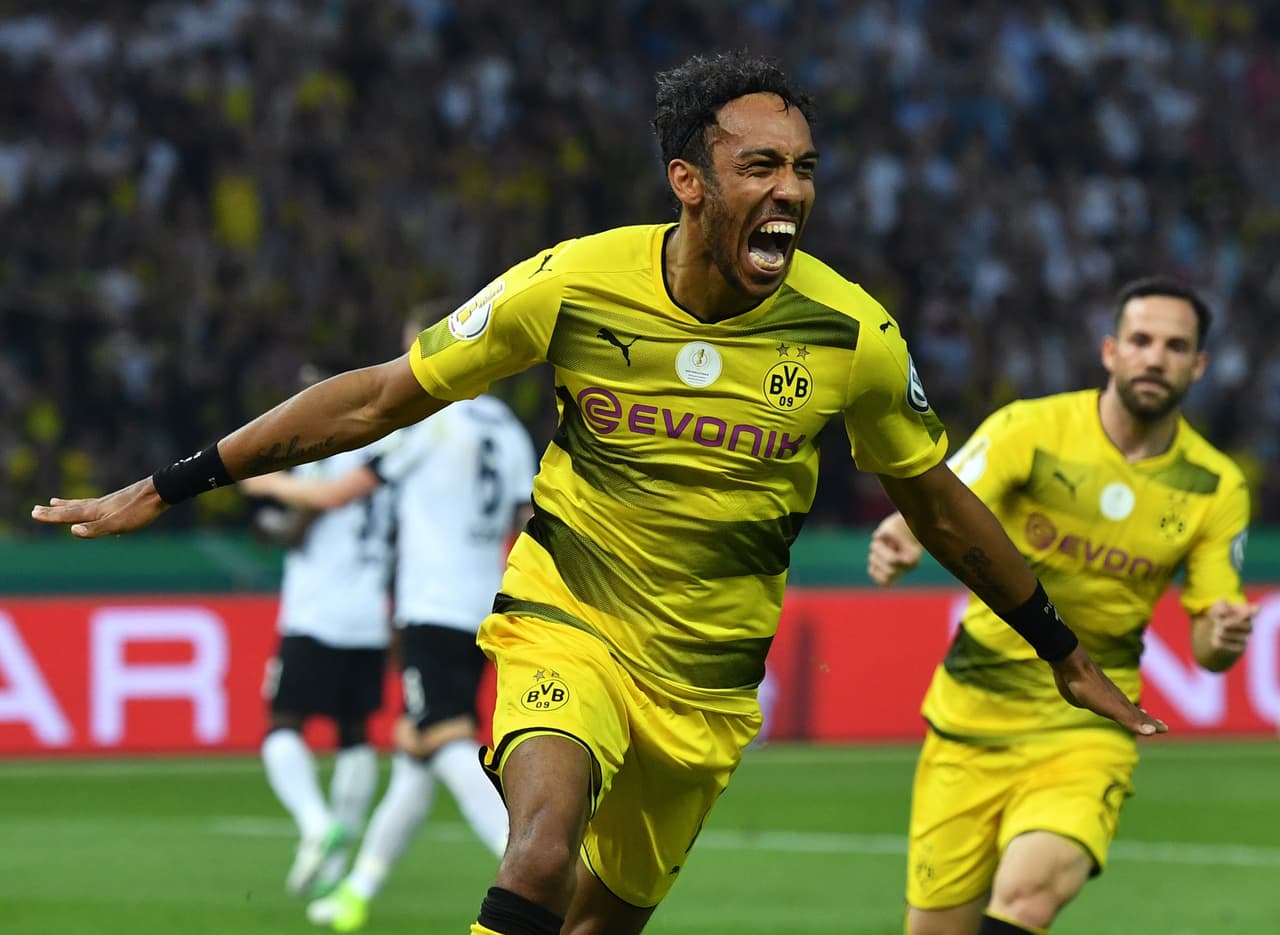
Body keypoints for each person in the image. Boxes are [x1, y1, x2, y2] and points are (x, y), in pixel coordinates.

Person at [33, 51, 1165, 935]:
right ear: (688, 181)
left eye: (803, 168)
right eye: (759, 166)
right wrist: (174, 483)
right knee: (535, 851)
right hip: (565, 621)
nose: (788, 191)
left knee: (596, 914)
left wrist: (1054, 641)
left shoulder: (850, 334)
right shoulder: (573, 282)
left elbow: (934, 502)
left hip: (711, 681)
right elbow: (380, 397)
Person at [866, 276, 1257, 935]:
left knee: (1027, 896)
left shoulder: (1216, 486)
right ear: (1110, 351)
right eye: (1140, 340)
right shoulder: (1032, 429)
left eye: (1174, 345)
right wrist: (900, 540)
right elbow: (943, 505)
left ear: (1199, 364)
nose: (1154, 357)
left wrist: (1224, 632)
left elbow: (1210, 650)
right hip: (971, 718)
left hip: (1090, 721)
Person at [240, 325, 537, 931]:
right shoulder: (505, 427)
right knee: (413, 753)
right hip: (485, 601)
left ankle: (536, 869)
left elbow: (343, 492)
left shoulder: (426, 423)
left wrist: (259, 477)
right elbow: (526, 515)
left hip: (431, 605)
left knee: (446, 739)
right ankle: (356, 893)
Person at [241, 415, 397, 900]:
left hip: (316, 616)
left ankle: (315, 824)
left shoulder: (329, 454)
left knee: (282, 724)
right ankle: (334, 866)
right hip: (370, 613)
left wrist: (267, 503)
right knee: (354, 733)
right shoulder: (387, 457)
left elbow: (296, 531)